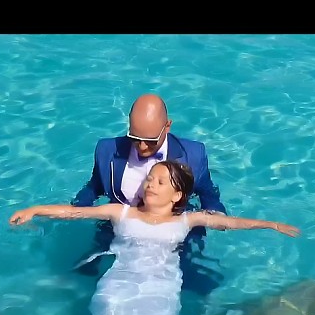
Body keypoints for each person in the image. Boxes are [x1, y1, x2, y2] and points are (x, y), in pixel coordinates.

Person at [10, 160, 298, 315]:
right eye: (149, 178)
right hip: (119, 283)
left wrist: (271, 225)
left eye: (160, 182)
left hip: (161, 287)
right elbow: (75, 213)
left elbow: (229, 223)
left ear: (177, 195)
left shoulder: (187, 220)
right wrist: (36, 209)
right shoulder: (121, 212)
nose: (150, 184)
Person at [70, 93, 226, 295]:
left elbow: (207, 190)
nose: (142, 147)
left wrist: (216, 212)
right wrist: (78, 206)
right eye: (135, 139)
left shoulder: (193, 155)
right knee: (83, 277)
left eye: (150, 141)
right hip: (119, 226)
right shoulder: (106, 150)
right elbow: (95, 185)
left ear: (167, 127)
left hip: (172, 230)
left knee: (196, 287)